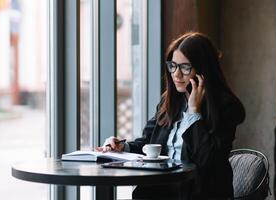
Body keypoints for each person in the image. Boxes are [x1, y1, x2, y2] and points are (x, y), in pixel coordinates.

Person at [96, 32, 245, 200]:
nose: (176, 74)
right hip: (160, 190)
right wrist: (123, 147)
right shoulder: (168, 101)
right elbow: (148, 143)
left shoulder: (225, 106)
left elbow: (208, 160)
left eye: (185, 67)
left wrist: (193, 112)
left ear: (203, 70)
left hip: (200, 192)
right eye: (173, 65)